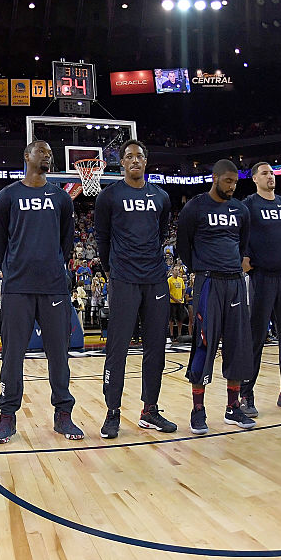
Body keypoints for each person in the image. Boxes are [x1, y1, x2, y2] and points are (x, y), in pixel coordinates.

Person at [0, 140, 82, 443]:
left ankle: (63, 415)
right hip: (18, 287)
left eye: (51, 153)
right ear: (27, 155)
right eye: (42, 152)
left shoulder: (61, 198)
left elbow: (66, 241)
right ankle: (7, 415)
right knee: (12, 355)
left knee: (59, 355)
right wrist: (13, 269)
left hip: (54, 286)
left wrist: (56, 267)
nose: (48, 156)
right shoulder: (7, 196)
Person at [94, 139, 177, 439]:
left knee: (156, 347)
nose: (134, 161)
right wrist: (109, 270)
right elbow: (102, 238)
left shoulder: (162, 196)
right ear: (122, 162)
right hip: (124, 280)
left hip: (155, 279)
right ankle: (112, 411)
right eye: (129, 156)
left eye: (139, 156)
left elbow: (163, 230)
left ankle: (150, 410)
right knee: (117, 349)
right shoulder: (109, 196)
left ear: (146, 160)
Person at [176, 159, 256, 434]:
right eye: (227, 181)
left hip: (235, 282)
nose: (232, 187)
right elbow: (183, 246)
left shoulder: (241, 210)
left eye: (235, 182)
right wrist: (201, 267)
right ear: (215, 178)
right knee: (203, 344)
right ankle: (198, 411)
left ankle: (233, 407)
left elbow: (243, 244)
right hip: (208, 282)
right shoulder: (195, 207)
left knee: (237, 345)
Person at [240, 161, 281, 414]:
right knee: (256, 338)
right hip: (262, 278)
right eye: (265, 173)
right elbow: (240, 236)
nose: (270, 176)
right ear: (255, 179)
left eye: (272, 173)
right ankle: (246, 395)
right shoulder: (248, 205)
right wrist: (245, 261)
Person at [167, 265, 188, 341]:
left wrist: (182, 298)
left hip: (180, 302)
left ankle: (179, 334)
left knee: (180, 319)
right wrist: (175, 299)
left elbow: (183, 289)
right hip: (172, 302)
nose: (177, 271)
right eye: (175, 270)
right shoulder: (169, 280)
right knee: (171, 319)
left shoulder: (181, 280)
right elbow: (168, 293)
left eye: (178, 270)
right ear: (172, 271)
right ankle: (171, 334)